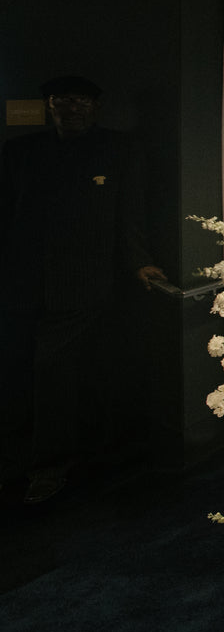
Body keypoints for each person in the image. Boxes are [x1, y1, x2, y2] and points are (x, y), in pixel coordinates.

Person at [0, 75, 167, 505]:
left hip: (85, 283)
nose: (70, 108)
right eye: (61, 101)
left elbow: (129, 216)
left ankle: (50, 466)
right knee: (29, 372)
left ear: (95, 107)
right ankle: (36, 458)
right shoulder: (20, 152)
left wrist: (139, 262)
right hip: (23, 282)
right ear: (48, 106)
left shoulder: (119, 150)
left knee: (56, 372)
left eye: (80, 101)